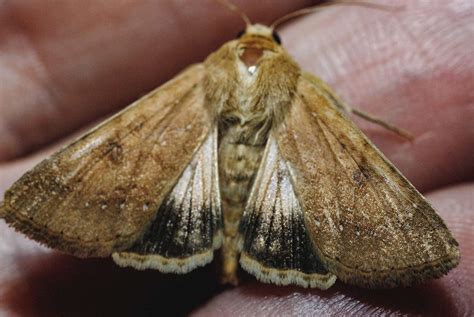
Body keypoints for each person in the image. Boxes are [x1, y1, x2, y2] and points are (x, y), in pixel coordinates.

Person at [0, 1, 472, 315]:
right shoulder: (304, 90)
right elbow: (344, 109)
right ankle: (247, 252)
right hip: (265, 191)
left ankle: (212, 249)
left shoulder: (193, 78)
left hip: (196, 189)